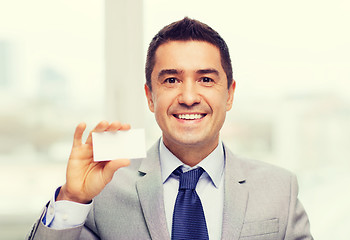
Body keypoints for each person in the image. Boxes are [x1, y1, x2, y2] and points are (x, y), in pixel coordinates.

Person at [27, 17, 313, 240]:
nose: (188, 98)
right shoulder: (105, 190)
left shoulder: (279, 190)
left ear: (230, 94)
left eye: (206, 80)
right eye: (172, 80)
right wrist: (73, 199)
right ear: (150, 96)